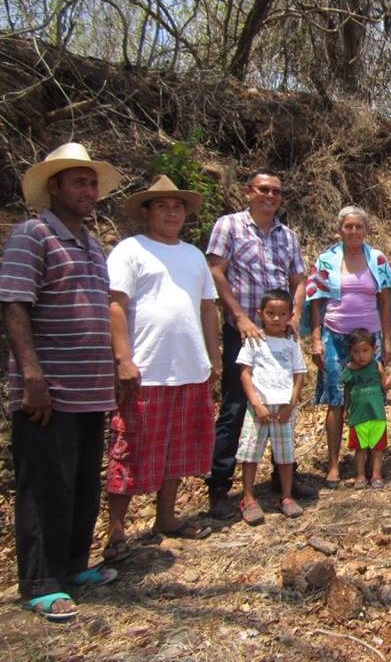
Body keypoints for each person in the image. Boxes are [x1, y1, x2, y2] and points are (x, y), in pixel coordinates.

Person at [0, 143, 122, 620]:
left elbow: (97, 313)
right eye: (78, 182)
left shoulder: (91, 242)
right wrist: (31, 373)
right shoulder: (32, 235)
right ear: (54, 187)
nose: (88, 191)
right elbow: (13, 304)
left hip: (90, 387)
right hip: (49, 389)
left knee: (81, 483)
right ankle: (39, 579)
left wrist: (114, 368)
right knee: (44, 484)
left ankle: (73, 565)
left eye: (91, 183)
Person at [104, 176, 221, 559]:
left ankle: (166, 517)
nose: (172, 212)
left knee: (180, 447)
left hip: (190, 366)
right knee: (130, 448)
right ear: (146, 212)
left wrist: (214, 356)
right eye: (163, 206)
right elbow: (116, 304)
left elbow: (207, 308)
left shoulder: (192, 255)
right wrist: (123, 358)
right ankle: (116, 531)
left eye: (178, 207)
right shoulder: (130, 250)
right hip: (146, 368)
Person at [205, 169, 308, 518]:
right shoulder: (229, 226)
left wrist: (295, 315)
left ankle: (285, 483)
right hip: (246, 331)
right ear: (249, 191)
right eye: (264, 189)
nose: (270, 196)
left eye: (276, 191)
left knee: (282, 404)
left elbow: (298, 279)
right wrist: (240, 317)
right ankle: (221, 487)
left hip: (281, 334)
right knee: (237, 407)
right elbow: (216, 271)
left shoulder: (287, 236)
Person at [306, 206, 391, 486]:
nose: (353, 231)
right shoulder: (327, 260)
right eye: (348, 226)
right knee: (336, 401)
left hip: (369, 339)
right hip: (335, 338)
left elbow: (386, 302)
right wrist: (316, 339)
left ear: (366, 230)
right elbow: (315, 301)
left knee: (371, 397)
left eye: (358, 227)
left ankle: (372, 466)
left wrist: (387, 341)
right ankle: (335, 464)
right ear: (340, 229)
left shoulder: (377, 259)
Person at [235, 289, 307, 525]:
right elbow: (245, 374)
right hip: (258, 408)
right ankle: (248, 497)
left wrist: (291, 404)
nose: (276, 318)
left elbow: (299, 375)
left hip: (284, 408)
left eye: (282, 313)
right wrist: (256, 403)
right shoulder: (254, 340)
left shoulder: (291, 343)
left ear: (290, 316)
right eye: (271, 313)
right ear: (261, 314)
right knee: (251, 453)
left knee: (285, 456)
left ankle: (286, 497)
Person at [343, 327, 391, 489]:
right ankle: (360, 475)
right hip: (358, 416)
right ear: (350, 352)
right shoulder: (348, 370)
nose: (361, 355)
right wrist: (346, 410)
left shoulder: (377, 367)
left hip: (376, 414)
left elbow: (386, 386)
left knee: (377, 449)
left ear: (374, 350)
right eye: (356, 352)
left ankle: (376, 475)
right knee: (360, 449)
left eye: (365, 351)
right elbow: (347, 392)